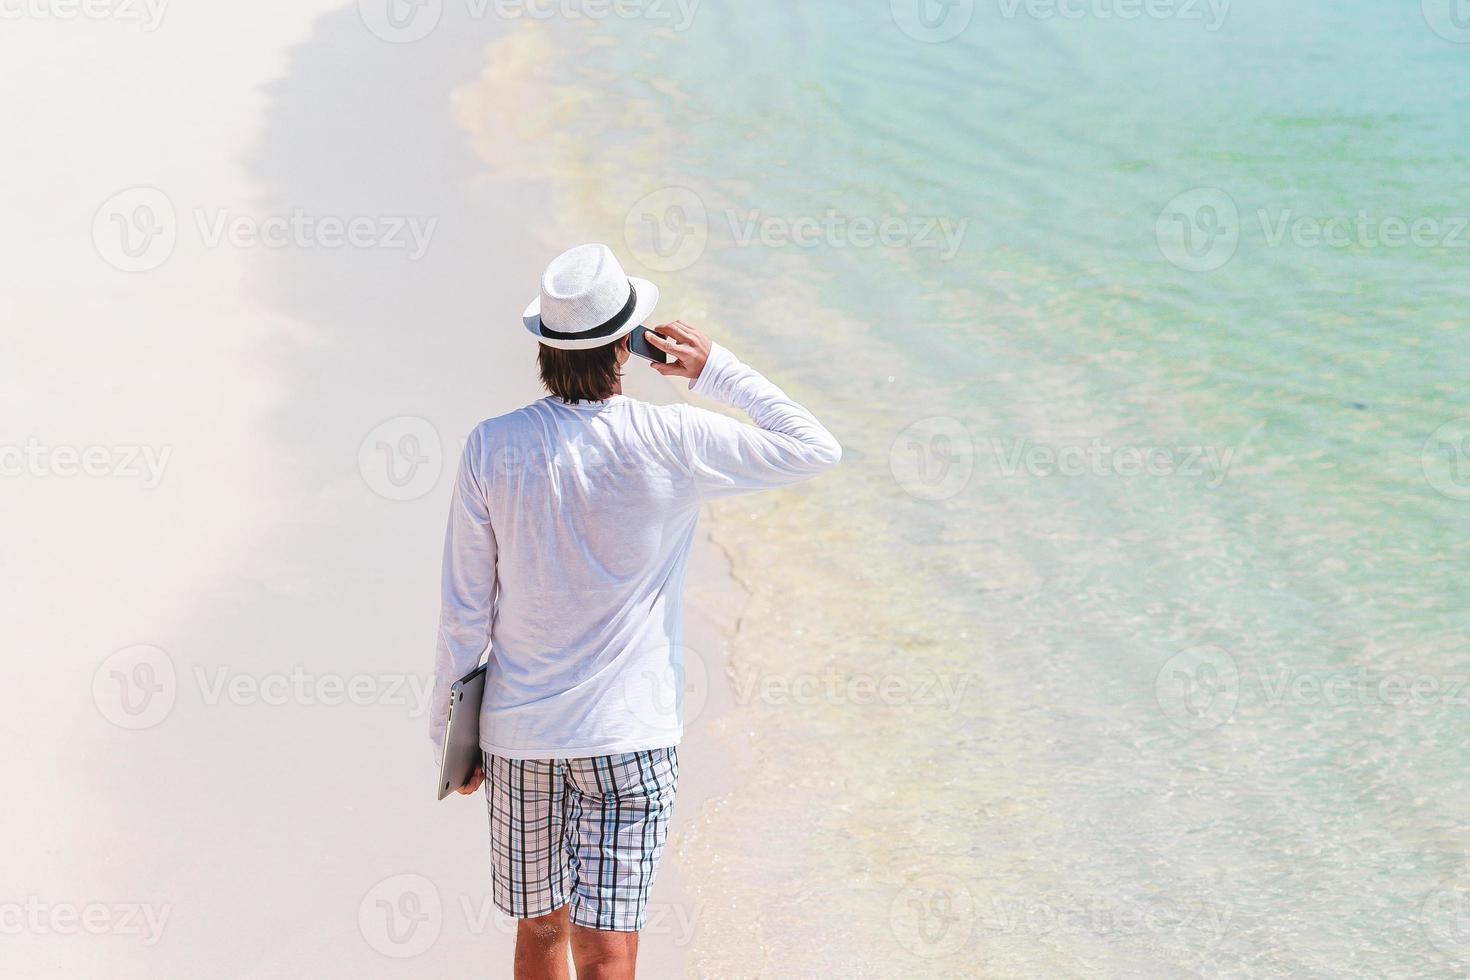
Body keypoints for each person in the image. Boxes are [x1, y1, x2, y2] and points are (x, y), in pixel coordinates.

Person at [429, 243, 841, 979]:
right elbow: (813, 448)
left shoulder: (493, 445)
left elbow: (466, 607)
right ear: (628, 342)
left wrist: (449, 737)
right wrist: (715, 370)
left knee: (539, 935)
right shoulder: (673, 438)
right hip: (632, 739)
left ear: (544, 348)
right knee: (609, 950)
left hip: (522, 735)